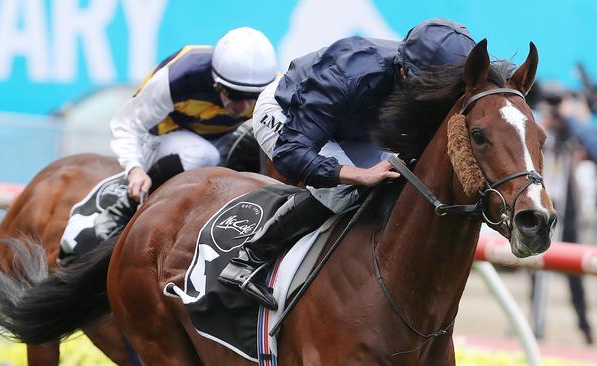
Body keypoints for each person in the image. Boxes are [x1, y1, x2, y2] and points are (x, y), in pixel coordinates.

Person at [218, 18, 476, 309]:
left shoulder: (429, 76)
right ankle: (248, 258)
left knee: (396, 180)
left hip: (356, 124)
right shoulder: (349, 76)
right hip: (290, 113)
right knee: (345, 190)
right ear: (404, 73)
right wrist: (354, 175)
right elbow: (292, 152)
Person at [92, 27, 278, 240]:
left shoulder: (275, 89)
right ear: (216, 83)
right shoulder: (181, 75)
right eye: (235, 95)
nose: (243, 105)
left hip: (220, 143)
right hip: (162, 141)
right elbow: (127, 123)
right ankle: (124, 208)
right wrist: (134, 169)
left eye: (253, 96)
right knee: (203, 154)